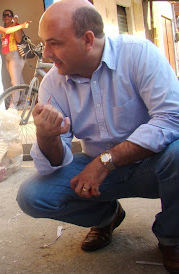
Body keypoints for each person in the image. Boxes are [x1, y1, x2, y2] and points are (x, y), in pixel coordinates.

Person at [16, 0, 179, 272]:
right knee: (32, 195)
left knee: (177, 153)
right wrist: (47, 137)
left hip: (152, 164)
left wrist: (105, 161)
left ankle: (172, 236)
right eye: (45, 43)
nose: (46, 54)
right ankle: (107, 216)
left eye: (54, 43)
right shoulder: (53, 83)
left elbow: (171, 118)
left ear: (88, 40)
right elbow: (51, 166)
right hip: (96, 172)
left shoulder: (139, 55)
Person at [0, 9, 28, 109]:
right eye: (4, 15)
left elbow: (19, 39)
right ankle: (26, 102)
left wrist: (15, 23)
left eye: (8, 15)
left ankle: (13, 105)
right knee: (19, 81)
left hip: (15, 55)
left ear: (12, 17)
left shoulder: (16, 26)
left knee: (15, 82)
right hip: (7, 56)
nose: (6, 17)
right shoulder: (4, 29)